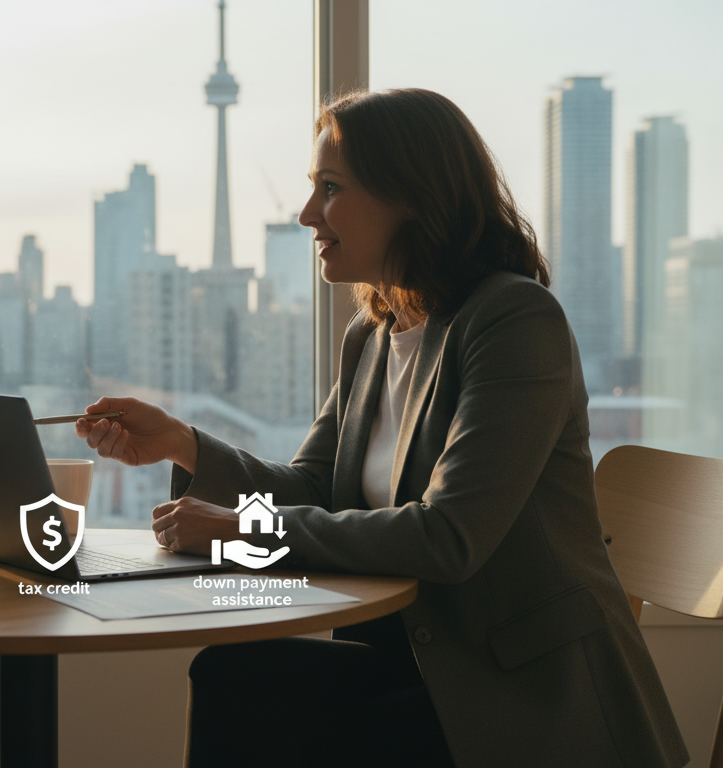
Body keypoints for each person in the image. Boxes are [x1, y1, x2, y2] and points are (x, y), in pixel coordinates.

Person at [77, 89, 687, 767]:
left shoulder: (515, 322)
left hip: (524, 693)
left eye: (331, 189)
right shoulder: (373, 336)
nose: (307, 214)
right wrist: (182, 444)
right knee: (235, 675)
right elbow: (315, 485)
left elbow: (449, 536)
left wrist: (241, 528)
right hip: (422, 667)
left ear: (415, 197)